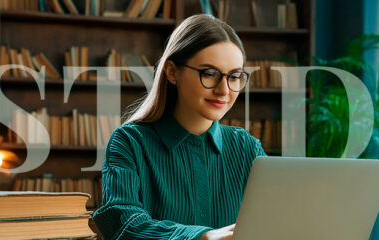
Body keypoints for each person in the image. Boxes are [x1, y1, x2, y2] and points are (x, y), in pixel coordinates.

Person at [91, 14, 267, 240]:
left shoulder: (247, 148)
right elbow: (123, 222)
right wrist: (203, 237)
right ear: (172, 72)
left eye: (234, 76)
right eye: (210, 74)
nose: (224, 90)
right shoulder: (129, 142)